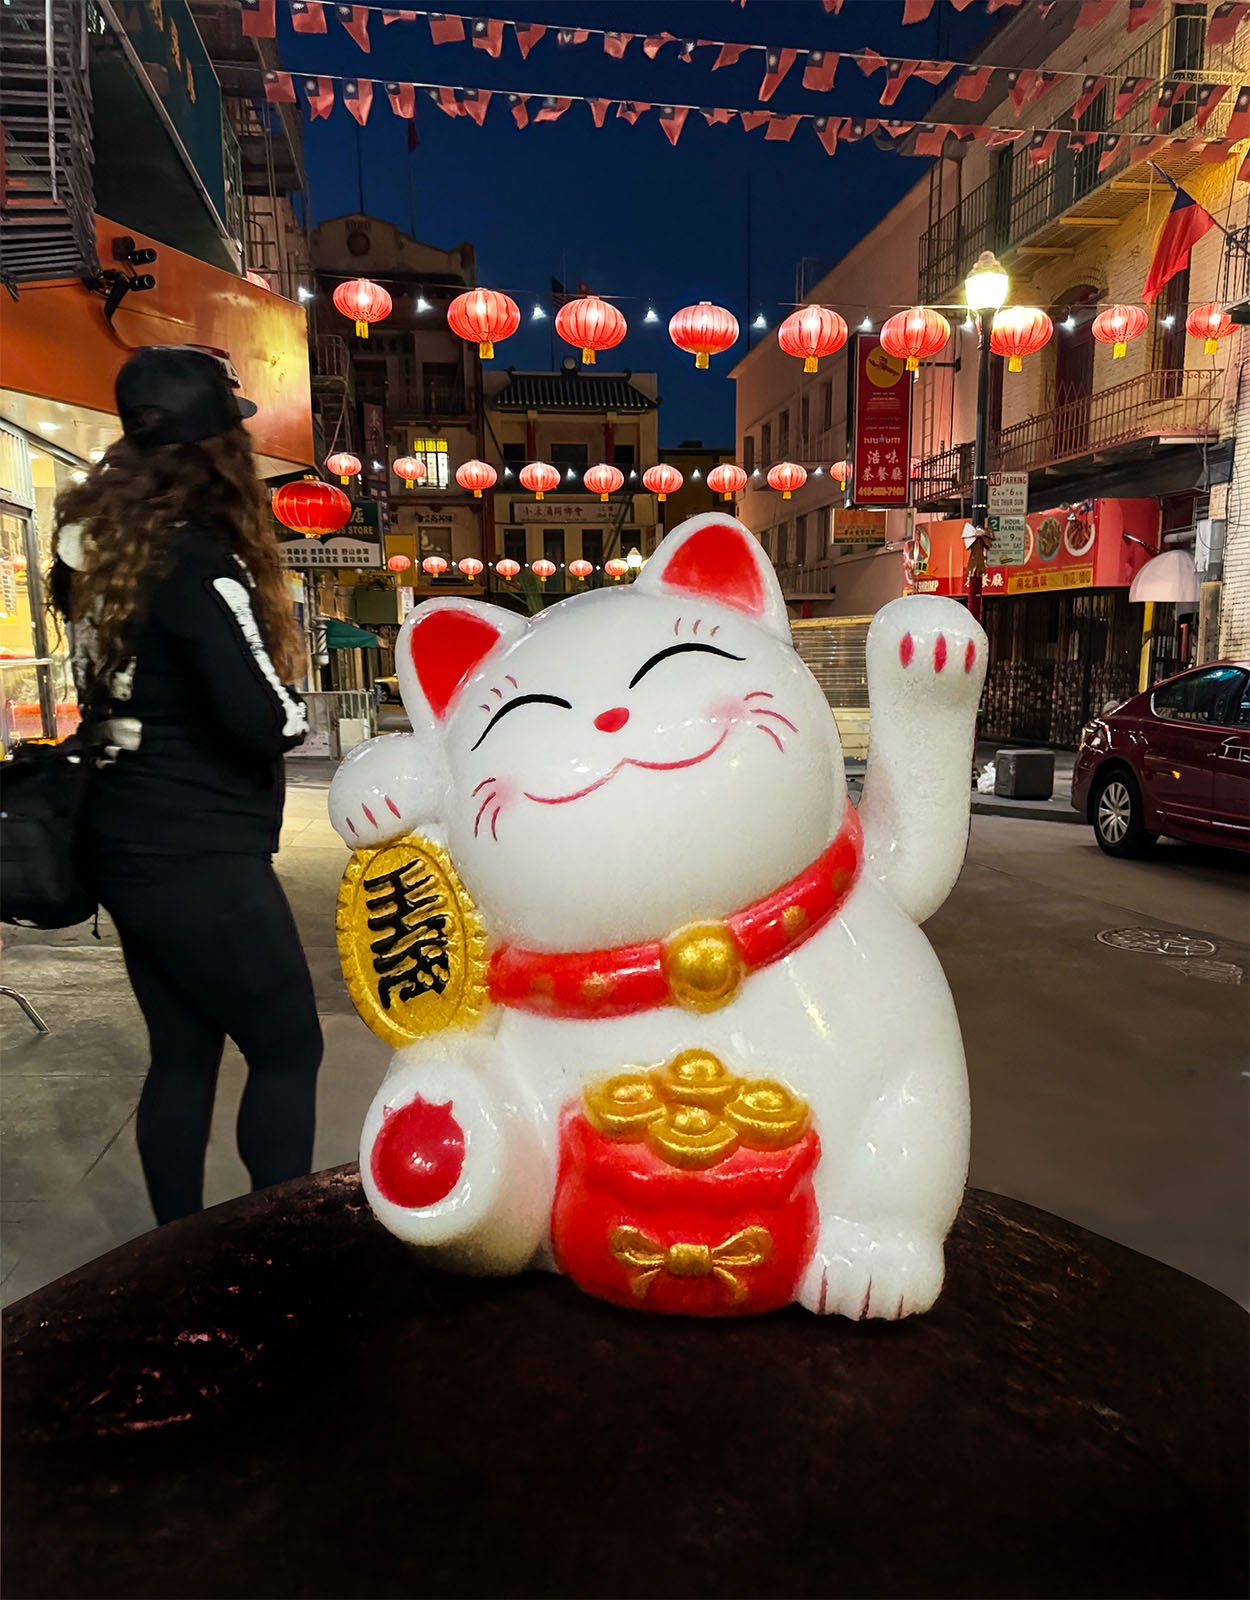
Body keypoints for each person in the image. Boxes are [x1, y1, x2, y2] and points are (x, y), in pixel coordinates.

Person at [51, 346, 323, 1225]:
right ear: (218, 451)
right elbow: (266, 719)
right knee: (287, 1049)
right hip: (203, 852)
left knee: (182, 1055)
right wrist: (293, 705)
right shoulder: (200, 565)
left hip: (124, 841)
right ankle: (266, 1257)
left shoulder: (95, 558)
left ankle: (174, 1254)